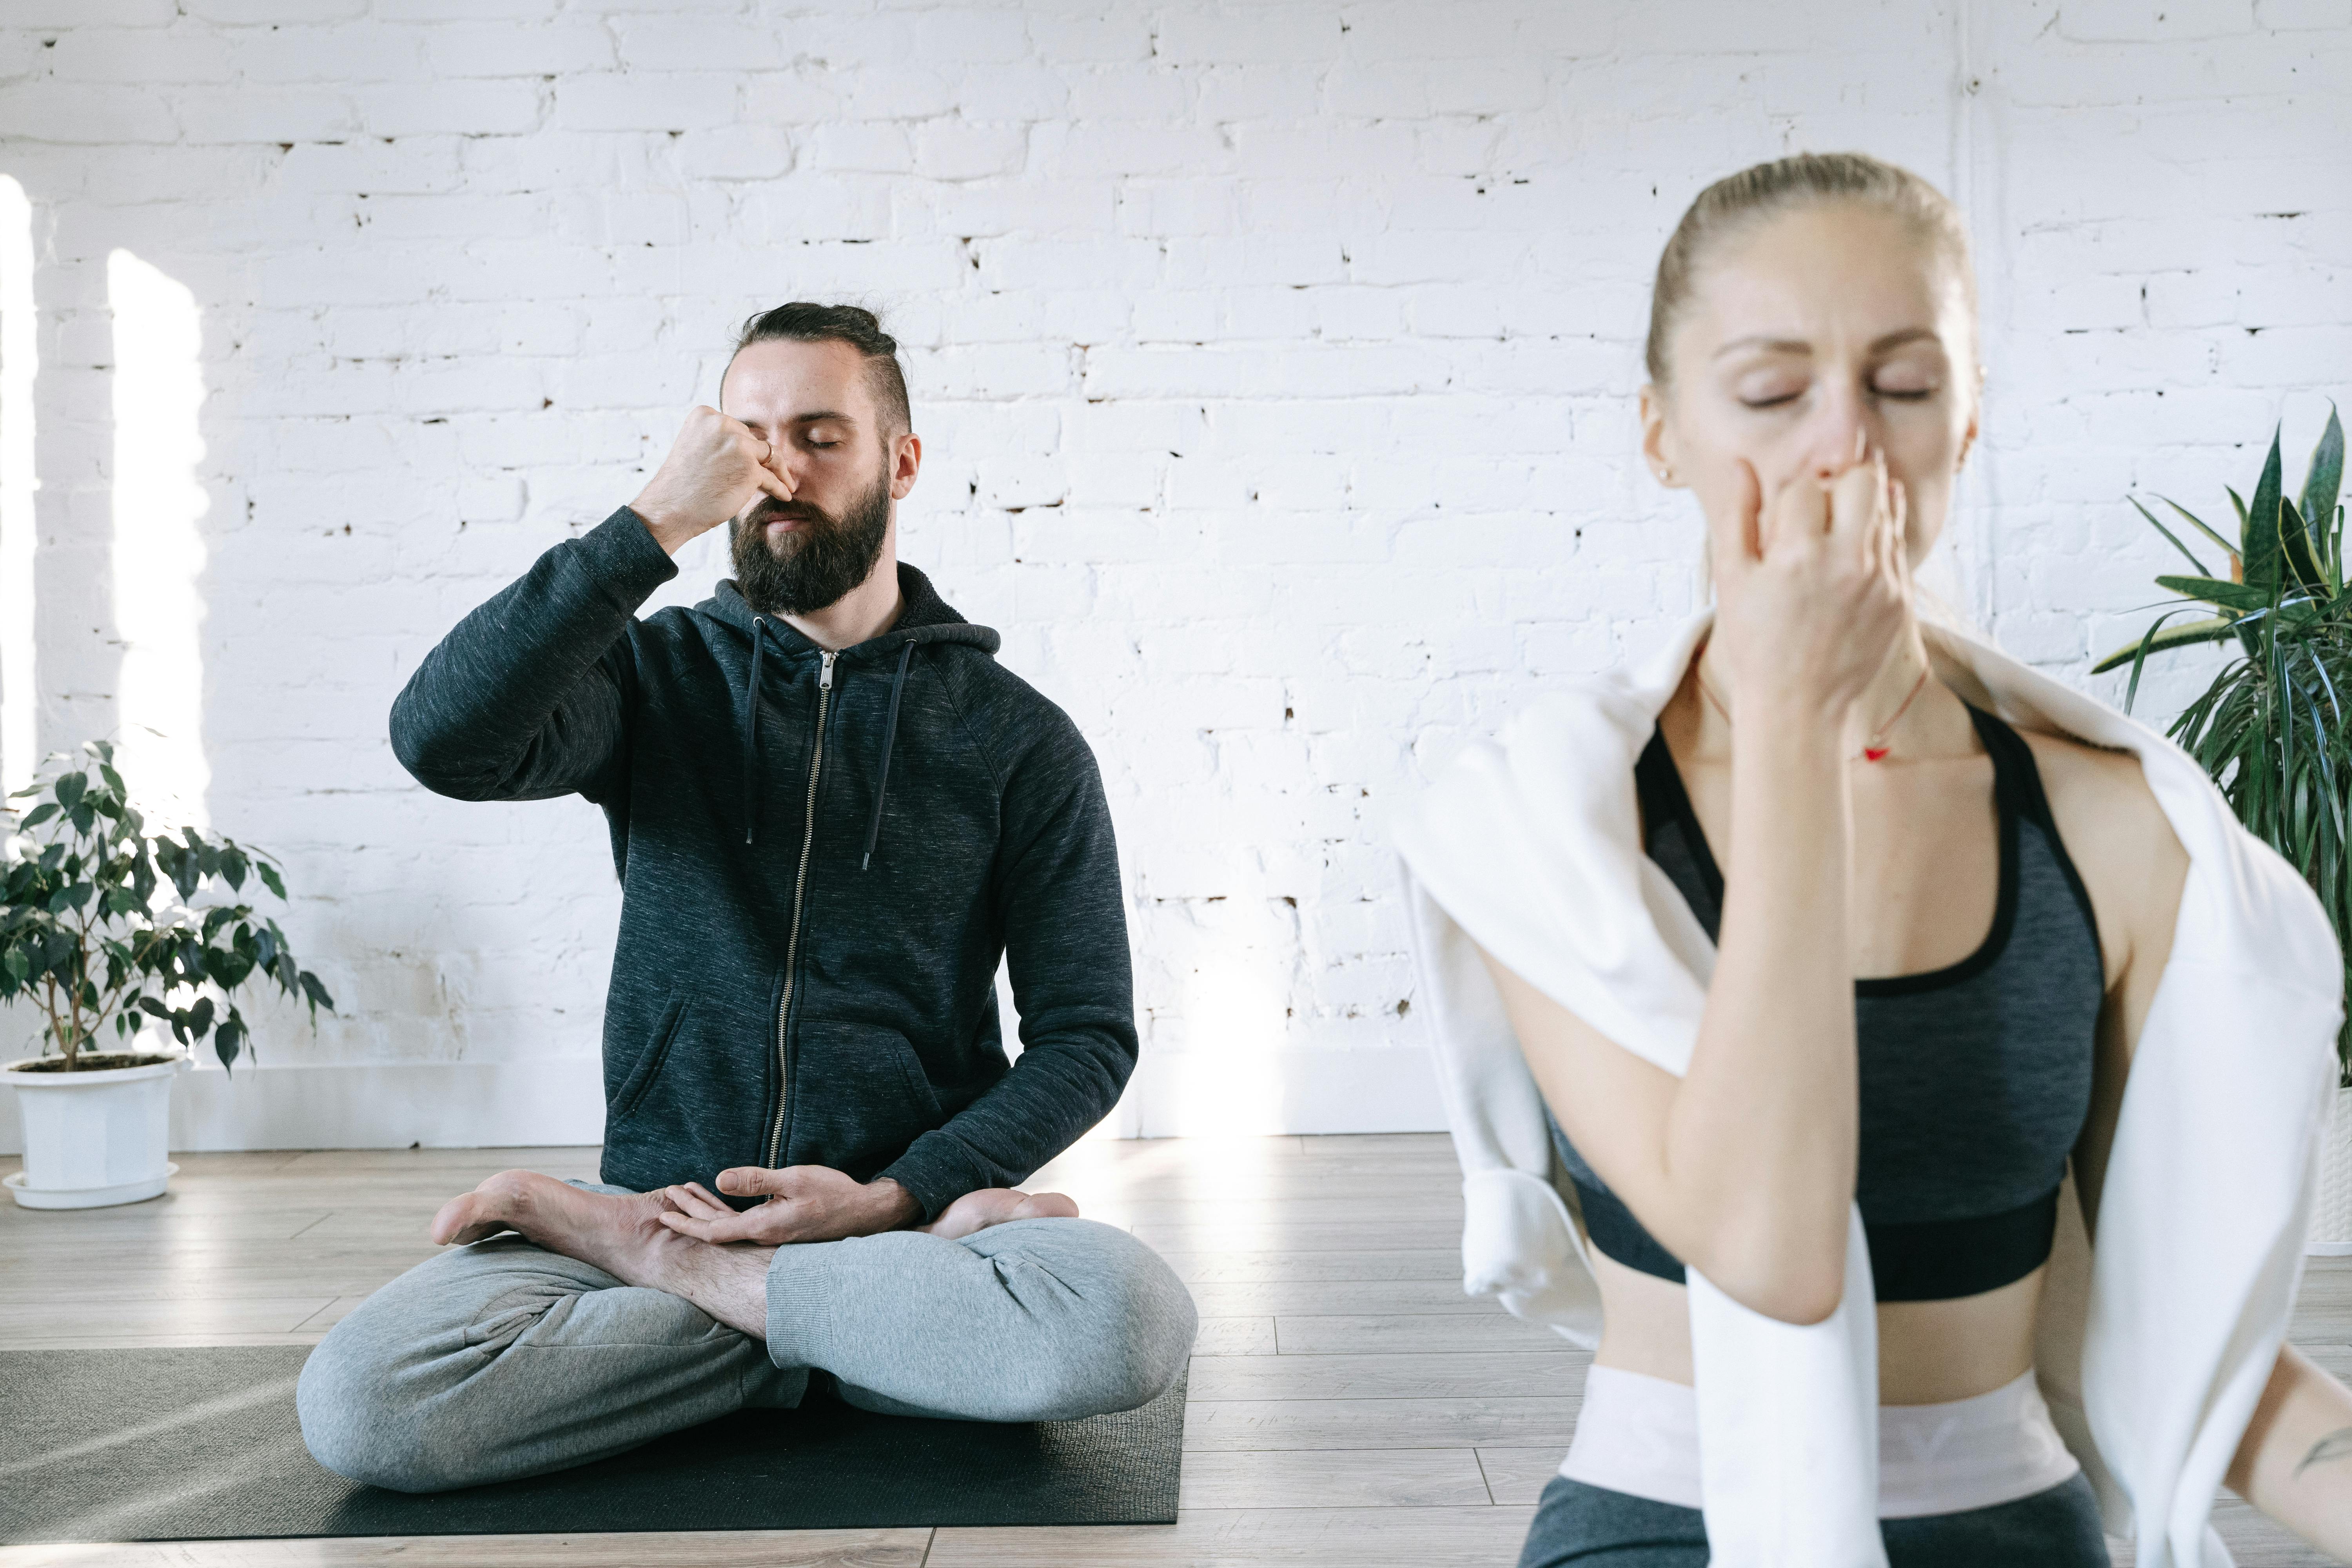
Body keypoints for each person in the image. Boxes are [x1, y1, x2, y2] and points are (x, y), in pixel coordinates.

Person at [1394, 154, 2352, 1566]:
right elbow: (1770, 1251)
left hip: (2016, 1525)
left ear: (1967, 426)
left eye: (1904, 385)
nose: (1843, 444)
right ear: (1662, 435)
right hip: (1662, 1528)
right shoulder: (1547, 824)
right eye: (1774, 393)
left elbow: (2188, 1329)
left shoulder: (2112, 830)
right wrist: (1791, 723)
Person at [297, 303, 1196, 1492]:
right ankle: (836, 1341)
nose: (779, 467)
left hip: (891, 1229)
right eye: (750, 435)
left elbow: (1087, 1037)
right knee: (368, 1406)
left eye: (821, 435)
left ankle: (737, 1306)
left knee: (1126, 1319)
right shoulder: (651, 676)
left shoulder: (1018, 742)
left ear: (902, 463)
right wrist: (653, 521)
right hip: (659, 1209)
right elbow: (440, 740)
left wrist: (898, 1195)